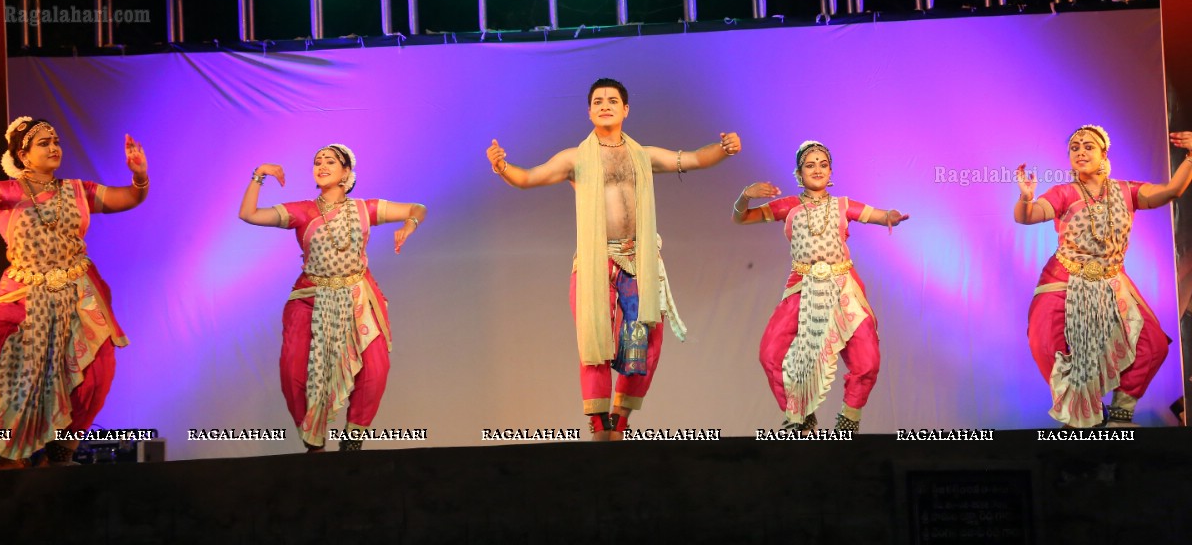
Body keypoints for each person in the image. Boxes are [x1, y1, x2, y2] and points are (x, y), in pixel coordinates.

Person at [486, 78, 742, 441]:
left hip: (637, 261)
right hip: (595, 262)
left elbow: (695, 158)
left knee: (645, 342)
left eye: (612, 100)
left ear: (625, 109)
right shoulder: (574, 158)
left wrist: (724, 148)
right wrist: (501, 166)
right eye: (597, 101)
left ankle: (620, 420)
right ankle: (598, 424)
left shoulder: (644, 155)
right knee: (595, 344)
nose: (604, 105)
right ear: (589, 111)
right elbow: (528, 178)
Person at [239, 144, 426, 451]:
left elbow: (417, 207)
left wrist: (410, 224)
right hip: (310, 297)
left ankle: (352, 442)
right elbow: (248, 214)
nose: (321, 165)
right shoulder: (303, 211)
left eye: (329, 161)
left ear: (346, 173)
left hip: (357, 298)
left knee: (376, 370)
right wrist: (259, 175)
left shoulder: (366, 209)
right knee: (292, 373)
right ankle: (315, 445)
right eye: (317, 162)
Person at [0, 117, 148, 469]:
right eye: (43, 143)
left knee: (95, 371)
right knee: (10, 375)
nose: (54, 147)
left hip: (77, 292)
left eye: (56, 141)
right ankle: (4, 456)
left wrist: (139, 175)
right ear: (23, 154)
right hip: (25, 295)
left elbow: (130, 197)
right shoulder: (5, 191)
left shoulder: (79, 190)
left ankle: (62, 453)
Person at [1015, 126, 1192, 428]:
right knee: (1047, 343)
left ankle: (1121, 415)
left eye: (1087, 146)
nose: (1080, 152)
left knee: (1151, 344)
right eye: (1074, 148)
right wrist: (1026, 198)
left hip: (1112, 281)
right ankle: (1081, 415)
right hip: (1065, 279)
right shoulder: (1063, 193)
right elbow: (1027, 217)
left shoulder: (1128, 191)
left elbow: (1172, 190)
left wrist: (1190, 157)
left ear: (1104, 153)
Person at [732, 140, 907, 434]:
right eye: (810, 165)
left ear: (830, 171)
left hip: (843, 290)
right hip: (802, 288)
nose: (817, 169)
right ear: (799, 173)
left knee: (868, 361)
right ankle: (801, 417)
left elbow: (880, 215)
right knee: (771, 355)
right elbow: (741, 217)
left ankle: (848, 419)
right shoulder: (788, 206)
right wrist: (744, 196)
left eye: (822, 164)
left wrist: (890, 217)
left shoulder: (843, 205)